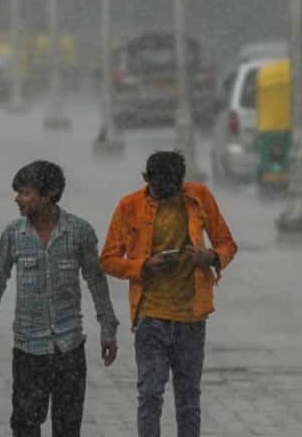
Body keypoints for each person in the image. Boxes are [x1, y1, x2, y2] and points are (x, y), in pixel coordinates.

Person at [100, 151, 237, 437]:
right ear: (146, 179)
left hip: (192, 317)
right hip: (150, 317)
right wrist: (142, 267)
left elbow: (227, 244)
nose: (166, 196)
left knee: (189, 400)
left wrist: (209, 256)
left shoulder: (199, 197)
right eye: (160, 190)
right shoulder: (129, 206)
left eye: (173, 189)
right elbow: (108, 259)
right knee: (150, 394)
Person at [0, 160, 120, 437]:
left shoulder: (79, 232)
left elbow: (96, 281)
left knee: (68, 427)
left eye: (24, 193)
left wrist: (108, 329)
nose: (17, 199)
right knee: (24, 425)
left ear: (48, 195)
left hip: (69, 348)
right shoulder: (14, 234)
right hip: (27, 349)